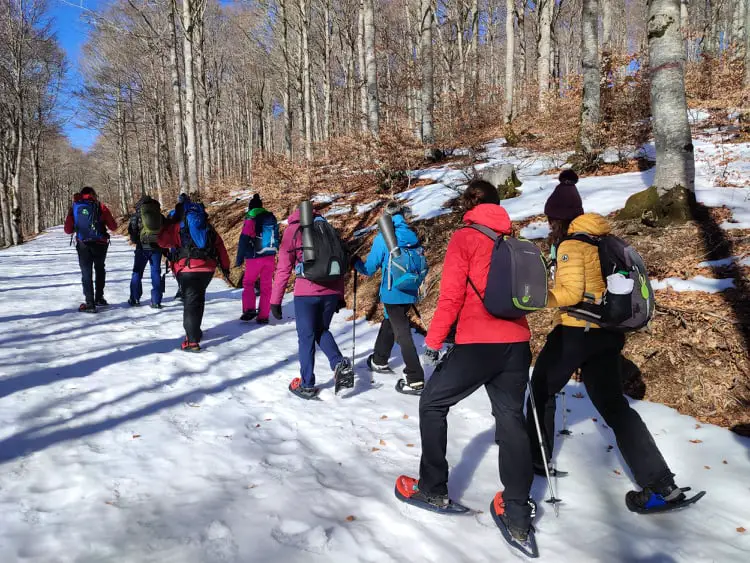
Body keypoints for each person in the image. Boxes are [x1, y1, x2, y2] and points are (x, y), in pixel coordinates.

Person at [526, 169, 685, 512]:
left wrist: (537, 298)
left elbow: (569, 293)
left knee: (540, 388)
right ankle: (662, 485)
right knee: (615, 407)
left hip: (576, 331)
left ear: (558, 218)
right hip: (607, 334)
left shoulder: (570, 244)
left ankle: (534, 459)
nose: (549, 224)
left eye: (550, 218)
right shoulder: (599, 239)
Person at [396, 180, 536, 542]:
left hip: (477, 342)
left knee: (432, 403)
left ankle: (433, 489)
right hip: (517, 342)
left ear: (468, 206)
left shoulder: (466, 238)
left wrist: (433, 341)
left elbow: (452, 297)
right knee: (510, 420)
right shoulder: (513, 240)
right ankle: (518, 513)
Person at [270, 203, 354, 399]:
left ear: (295, 214)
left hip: (306, 292)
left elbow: (283, 269)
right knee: (321, 330)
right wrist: (339, 295)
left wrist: (276, 301)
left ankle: (307, 385)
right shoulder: (327, 227)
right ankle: (338, 363)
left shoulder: (293, 230)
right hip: (331, 291)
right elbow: (338, 262)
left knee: (306, 337)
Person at [352, 201, 425, 394]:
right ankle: (379, 359)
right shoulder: (411, 235)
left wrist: (355, 263)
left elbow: (369, 269)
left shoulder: (384, 237)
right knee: (390, 322)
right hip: (410, 288)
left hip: (393, 292)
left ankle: (415, 378)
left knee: (403, 334)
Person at [157, 197, 231, 352]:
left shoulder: (177, 227)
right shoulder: (207, 227)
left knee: (190, 303)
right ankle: (195, 331)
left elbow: (162, 242)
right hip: (207, 269)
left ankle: (192, 342)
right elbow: (220, 246)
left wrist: (164, 227)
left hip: (187, 269)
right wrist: (225, 267)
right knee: (198, 299)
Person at [64, 187, 118, 313]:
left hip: (83, 245)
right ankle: (99, 297)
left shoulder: (75, 207)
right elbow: (113, 226)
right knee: (100, 269)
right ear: (93, 194)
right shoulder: (100, 206)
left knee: (86, 273)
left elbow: (68, 230)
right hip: (100, 244)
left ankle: (90, 303)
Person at [236, 194, 278, 324]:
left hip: (254, 257)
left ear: (250, 208)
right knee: (266, 286)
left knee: (248, 282)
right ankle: (264, 315)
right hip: (270, 256)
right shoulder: (270, 218)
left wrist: (239, 258)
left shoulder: (251, 219)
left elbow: (244, 240)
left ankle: (249, 309)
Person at [127, 195, 164, 309]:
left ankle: (135, 298)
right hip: (157, 247)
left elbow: (132, 233)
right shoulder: (159, 215)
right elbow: (165, 230)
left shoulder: (136, 216)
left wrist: (136, 240)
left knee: (137, 272)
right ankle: (156, 301)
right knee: (156, 273)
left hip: (141, 248)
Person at [167, 193, 190, 301]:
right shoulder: (193, 212)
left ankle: (181, 288)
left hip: (175, 244)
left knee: (176, 267)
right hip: (191, 245)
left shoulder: (173, 213)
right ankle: (186, 288)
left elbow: (167, 228)